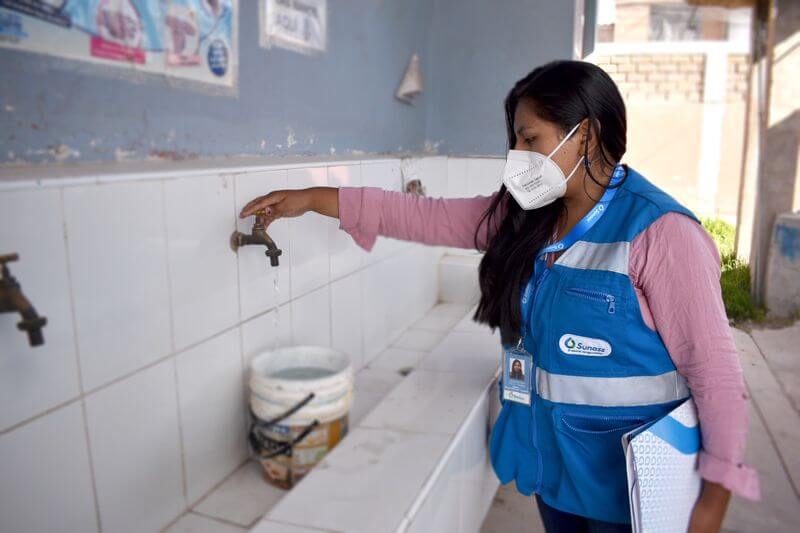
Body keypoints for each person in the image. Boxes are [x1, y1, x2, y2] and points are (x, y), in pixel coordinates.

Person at [239, 60, 760, 532]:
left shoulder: (661, 233)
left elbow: (714, 371)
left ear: (585, 136)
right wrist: (310, 198)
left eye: (531, 139)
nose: (518, 157)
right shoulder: (523, 219)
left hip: (631, 486)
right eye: (515, 141)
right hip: (553, 468)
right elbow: (422, 215)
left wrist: (713, 500)